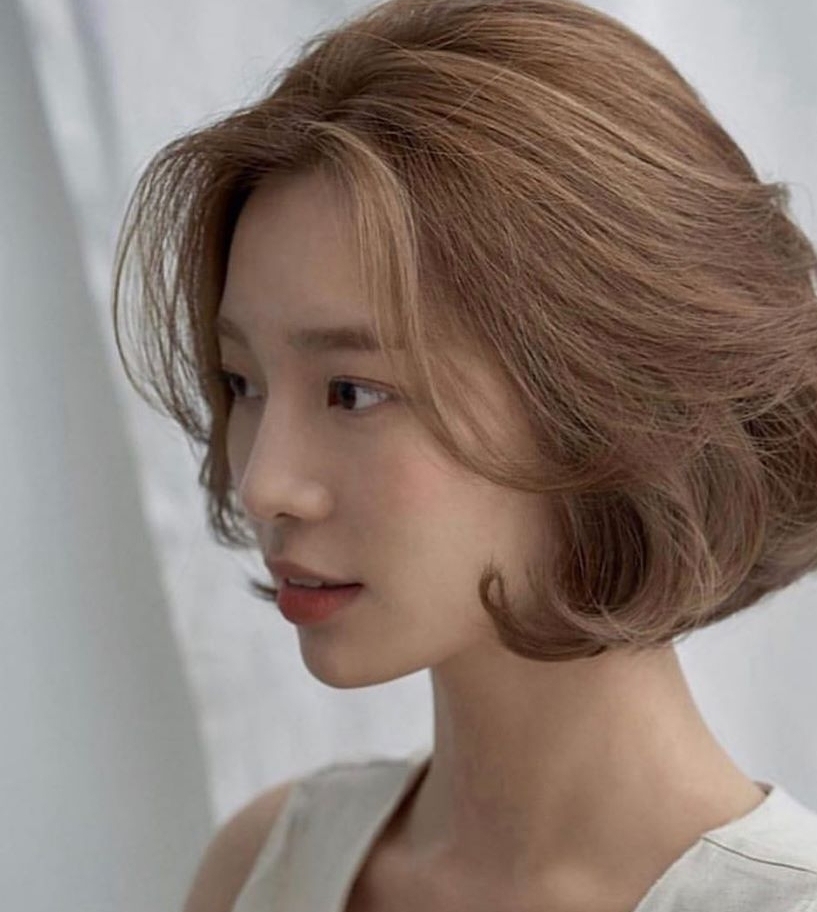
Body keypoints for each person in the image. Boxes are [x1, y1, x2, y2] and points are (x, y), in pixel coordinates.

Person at [112, 1, 817, 910]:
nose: (263, 484)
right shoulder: (266, 866)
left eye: (352, 392)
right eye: (241, 382)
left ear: (607, 401)